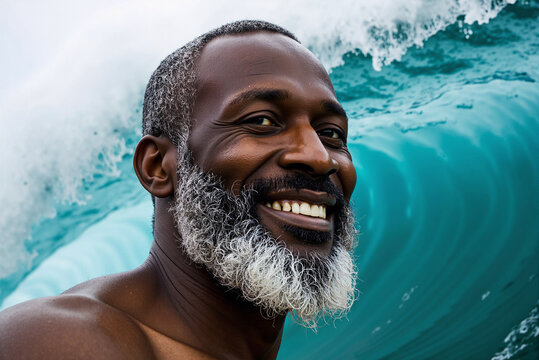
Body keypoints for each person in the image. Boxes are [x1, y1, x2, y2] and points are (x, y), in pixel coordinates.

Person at [0, 20, 358, 359]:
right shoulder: (62, 342)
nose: (319, 157)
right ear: (157, 167)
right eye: (262, 121)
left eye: (331, 134)